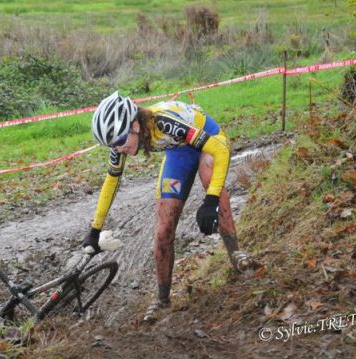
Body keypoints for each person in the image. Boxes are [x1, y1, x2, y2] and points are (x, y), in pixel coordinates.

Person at [82, 91, 255, 321]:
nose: (119, 149)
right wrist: (95, 229)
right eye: (112, 146)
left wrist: (211, 200)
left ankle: (236, 254)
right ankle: (162, 299)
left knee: (209, 171)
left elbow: (219, 150)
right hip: (179, 152)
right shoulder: (122, 142)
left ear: (135, 125)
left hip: (209, 141)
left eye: (121, 142)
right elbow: (111, 181)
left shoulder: (163, 123)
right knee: (163, 229)